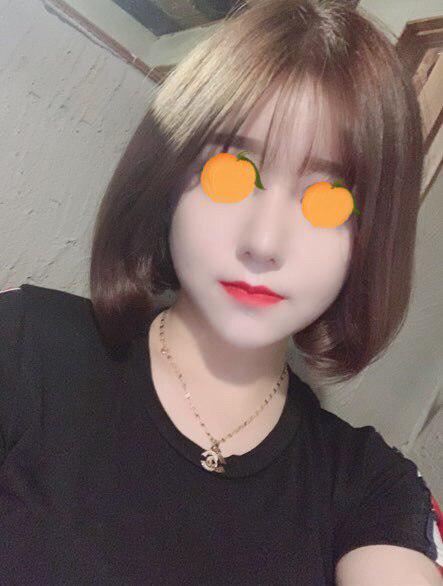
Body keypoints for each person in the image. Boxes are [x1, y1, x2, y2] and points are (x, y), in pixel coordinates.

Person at [0, 0, 442, 583]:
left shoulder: (370, 487)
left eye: (328, 200)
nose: (264, 242)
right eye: (231, 174)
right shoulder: (24, 343)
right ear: (168, 176)